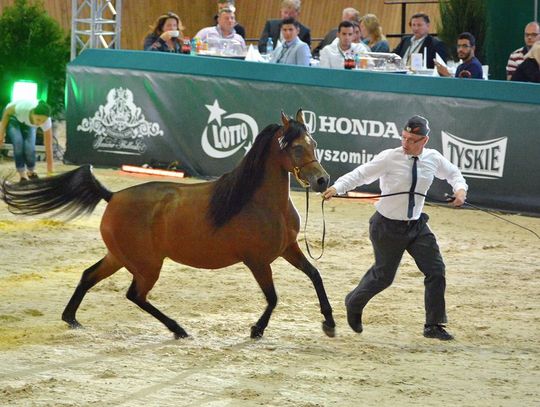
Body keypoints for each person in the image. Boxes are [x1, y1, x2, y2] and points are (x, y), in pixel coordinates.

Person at [322, 115, 468, 341]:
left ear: (424, 141)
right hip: (386, 226)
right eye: (404, 137)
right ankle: (353, 302)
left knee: (436, 270)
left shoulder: (433, 158)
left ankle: (433, 325)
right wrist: (337, 187)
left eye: (412, 140)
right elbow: (361, 173)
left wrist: (460, 191)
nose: (406, 143)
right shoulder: (390, 157)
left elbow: (453, 173)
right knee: (384, 277)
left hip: (417, 225)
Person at [0, 99, 54, 183]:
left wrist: (50, 172)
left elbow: (48, 145)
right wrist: (1, 133)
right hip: (13, 117)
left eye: (43, 121)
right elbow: (7, 112)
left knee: (29, 147)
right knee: (18, 143)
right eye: (39, 119)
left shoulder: (46, 122)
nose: (40, 123)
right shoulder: (22, 108)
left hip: (28, 122)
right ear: (33, 113)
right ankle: (22, 175)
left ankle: (31, 172)